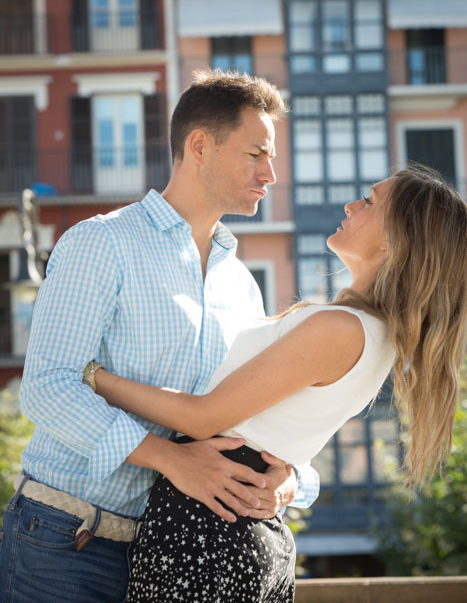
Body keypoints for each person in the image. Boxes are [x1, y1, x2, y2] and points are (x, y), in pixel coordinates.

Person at [0, 70, 319, 603]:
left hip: (173, 555)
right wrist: (170, 458)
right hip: (65, 542)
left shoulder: (242, 286)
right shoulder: (101, 242)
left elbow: (254, 416)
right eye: (256, 154)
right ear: (200, 146)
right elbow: (47, 387)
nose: (270, 174)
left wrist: (291, 483)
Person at [88, 166, 467, 602]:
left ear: (395, 238)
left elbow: (201, 417)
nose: (351, 206)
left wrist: (95, 377)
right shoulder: (375, 336)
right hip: (234, 526)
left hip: (210, 531)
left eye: (370, 202)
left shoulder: (342, 328)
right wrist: (290, 480)